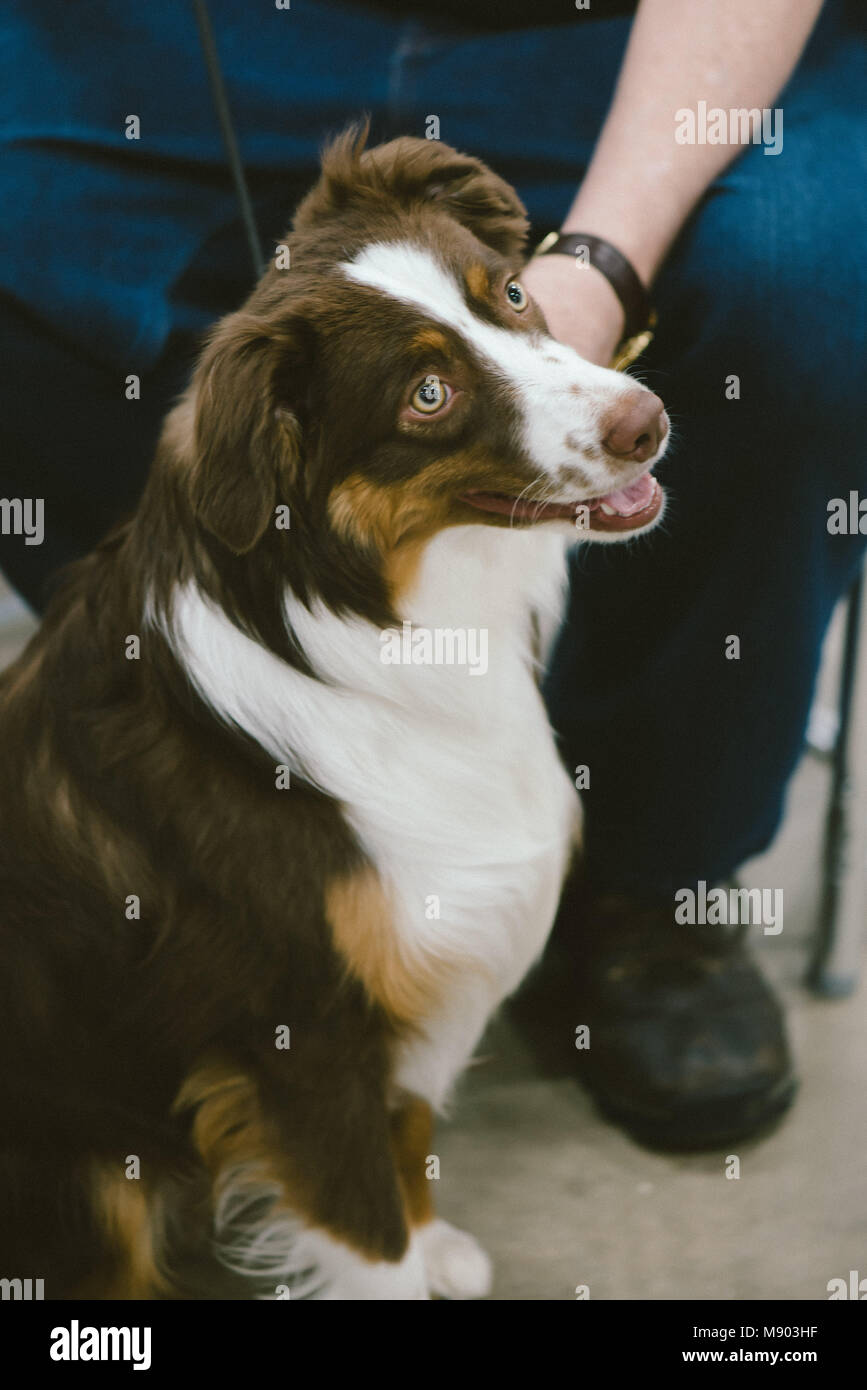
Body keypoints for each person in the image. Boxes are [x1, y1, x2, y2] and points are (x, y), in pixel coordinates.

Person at [1, 0, 865, 1148]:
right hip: (190, 31)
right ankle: (223, 829)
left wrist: (598, 266)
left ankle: (659, 888)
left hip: (635, 37)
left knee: (808, 289)